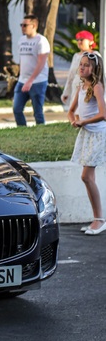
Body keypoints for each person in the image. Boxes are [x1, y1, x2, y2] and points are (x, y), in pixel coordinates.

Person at [68, 52, 106, 235]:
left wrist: (84, 121)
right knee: (87, 177)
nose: (82, 67)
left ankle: (99, 219)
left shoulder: (97, 86)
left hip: (97, 135)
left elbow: (103, 114)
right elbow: (72, 110)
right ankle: (97, 218)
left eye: (87, 65)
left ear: (95, 68)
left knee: (86, 176)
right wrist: (74, 119)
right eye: (81, 64)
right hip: (86, 135)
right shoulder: (82, 86)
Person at [13, 14, 50, 126]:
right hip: (22, 80)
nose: (22, 27)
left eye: (25, 25)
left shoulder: (41, 40)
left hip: (38, 81)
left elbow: (41, 62)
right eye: (21, 25)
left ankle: (40, 130)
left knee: (37, 112)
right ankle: (22, 129)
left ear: (33, 26)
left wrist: (31, 80)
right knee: (17, 109)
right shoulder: (21, 40)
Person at [61, 30, 98, 111]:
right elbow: (71, 76)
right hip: (76, 89)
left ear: (90, 42)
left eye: (82, 39)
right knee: (74, 114)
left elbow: (100, 74)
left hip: (90, 90)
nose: (79, 42)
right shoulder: (76, 56)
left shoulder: (95, 55)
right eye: (78, 40)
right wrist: (66, 92)